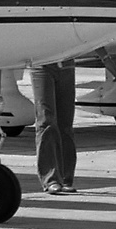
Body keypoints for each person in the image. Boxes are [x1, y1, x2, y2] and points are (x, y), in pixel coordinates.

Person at [31, 63, 77, 194]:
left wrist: (104, 56)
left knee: (66, 124)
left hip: (67, 64)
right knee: (46, 122)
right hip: (42, 64)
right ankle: (50, 179)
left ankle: (65, 178)